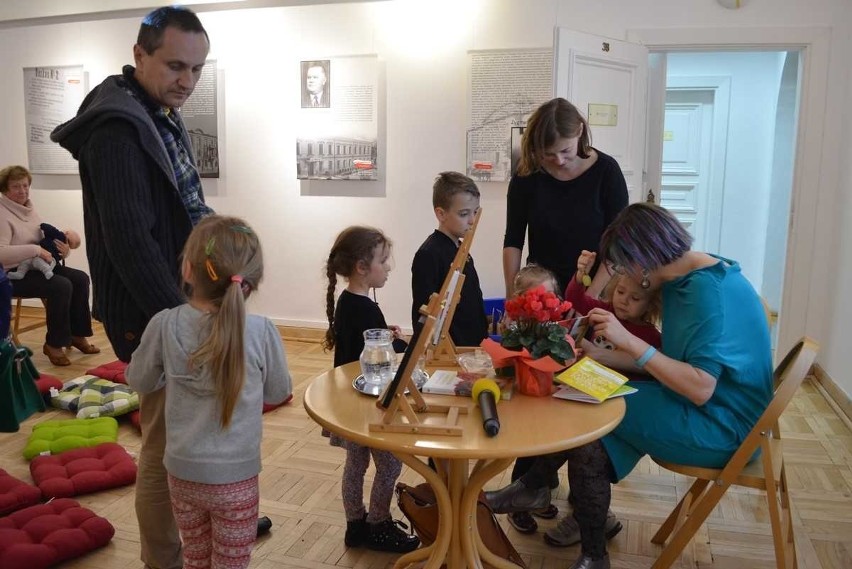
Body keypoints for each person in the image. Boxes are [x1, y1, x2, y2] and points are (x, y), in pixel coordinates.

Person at [486, 203, 773, 569]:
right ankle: (580, 536)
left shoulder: (706, 294)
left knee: (590, 421)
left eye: (624, 266)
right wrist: (603, 358)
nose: (624, 275)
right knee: (588, 411)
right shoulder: (691, 273)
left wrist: (627, 341)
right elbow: (673, 362)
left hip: (724, 426)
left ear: (645, 258)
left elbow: (701, 387)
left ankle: (541, 493)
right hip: (697, 403)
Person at [50, 6, 224, 568]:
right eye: (175, 66)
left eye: (197, 70)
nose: (187, 81)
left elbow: (179, 208)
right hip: (154, 311)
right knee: (162, 445)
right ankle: (164, 558)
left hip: (177, 302)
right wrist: (183, 319)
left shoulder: (152, 112)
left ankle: (196, 521)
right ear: (139, 56)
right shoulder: (118, 131)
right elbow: (131, 242)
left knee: (179, 433)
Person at [127, 215, 292, 569]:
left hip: (182, 475)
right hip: (236, 479)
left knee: (196, 559)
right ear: (253, 280)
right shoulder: (261, 330)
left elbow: (139, 380)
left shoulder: (164, 323)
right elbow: (280, 391)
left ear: (187, 271)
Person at [323, 226, 420, 554]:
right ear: (362, 267)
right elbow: (379, 354)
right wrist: (397, 342)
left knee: (356, 463)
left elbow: (362, 341)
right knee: (390, 465)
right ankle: (377, 524)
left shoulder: (349, 301)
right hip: (366, 401)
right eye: (383, 260)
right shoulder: (365, 308)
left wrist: (383, 333)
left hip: (348, 401)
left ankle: (355, 524)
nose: (389, 267)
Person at [503, 98, 628, 298]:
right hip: (541, 290)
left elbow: (618, 244)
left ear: (579, 131)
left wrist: (589, 297)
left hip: (595, 286)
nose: (559, 160)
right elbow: (513, 239)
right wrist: (511, 294)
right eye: (549, 154)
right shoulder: (527, 174)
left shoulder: (607, 171)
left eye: (565, 150)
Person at [0, 165, 99, 365]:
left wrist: (64, 249)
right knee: (60, 285)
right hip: (12, 274)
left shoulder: (29, 209)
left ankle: (76, 334)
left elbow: (41, 238)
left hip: (37, 266)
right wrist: (35, 250)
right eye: (16, 187)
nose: (23, 191)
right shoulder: (2, 213)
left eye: (25, 185)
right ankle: (54, 343)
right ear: (4, 190)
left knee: (80, 278)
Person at [411, 171, 488, 347]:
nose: (472, 220)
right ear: (441, 214)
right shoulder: (428, 254)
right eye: (463, 214)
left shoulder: (461, 248)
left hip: (472, 342)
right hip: (451, 347)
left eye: (475, 212)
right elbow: (424, 312)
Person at [566, 249, 662, 373]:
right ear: (613, 288)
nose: (624, 300)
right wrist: (581, 275)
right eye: (620, 292)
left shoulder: (652, 335)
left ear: (650, 305)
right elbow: (574, 299)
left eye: (635, 298)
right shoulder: (605, 310)